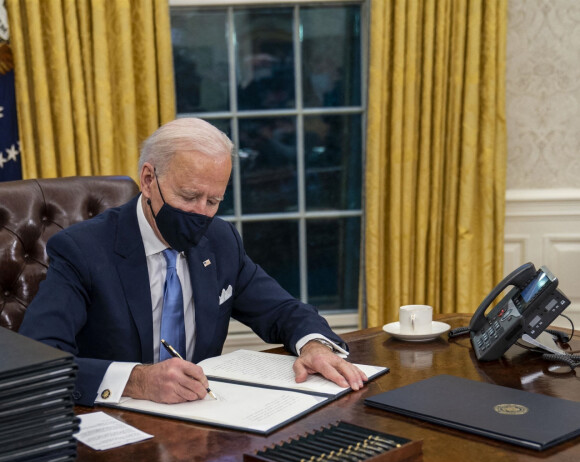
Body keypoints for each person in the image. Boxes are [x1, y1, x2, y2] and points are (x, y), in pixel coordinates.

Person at [19, 118, 367, 407]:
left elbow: (280, 310)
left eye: (214, 200)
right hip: (115, 425)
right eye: (189, 196)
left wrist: (315, 345)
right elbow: (38, 362)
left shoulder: (220, 241)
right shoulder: (83, 249)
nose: (202, 213)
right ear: (148, 180)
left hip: (201, 421)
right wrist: (136, 381)